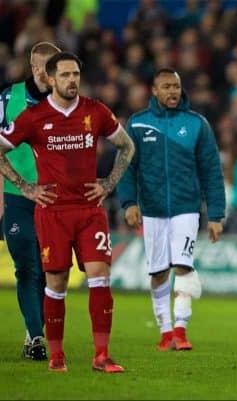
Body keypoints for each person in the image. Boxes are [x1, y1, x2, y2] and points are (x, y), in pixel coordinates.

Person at [0, 51, 135, 373]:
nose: (72, 80)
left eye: (75, 74)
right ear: (51, 79)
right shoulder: (34, 117)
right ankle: (56, 356)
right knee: (56, 282)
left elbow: (127, 146)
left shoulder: (95, 111)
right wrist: (26, 187)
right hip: (53, 213)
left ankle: (102, 355)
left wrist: (109, 183)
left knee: (100, 278)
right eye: (65, 75)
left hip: (90, 210)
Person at [117, 68, 225, 352]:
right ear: (154, 90)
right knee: (158, 272)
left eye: (175, 87)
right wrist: (129, 203)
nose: (172, 92)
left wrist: (215, 215)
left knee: (183, 266)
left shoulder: (196, 124)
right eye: (166, 87)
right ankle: (165, 332)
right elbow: (127, 168)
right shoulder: (138, 124)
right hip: (151, 210)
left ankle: (180, 329)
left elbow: (212, 170)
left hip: (186, 208)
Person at [0, 41, 60, 361]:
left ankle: (32, 331)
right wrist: (22, 185)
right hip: (19, 197)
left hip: (55, 199)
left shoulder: (68, 102)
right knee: (27, 267)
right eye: (54, 69)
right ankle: (36, 337)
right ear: (37, 69)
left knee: (49, 269)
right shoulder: (8, 99)